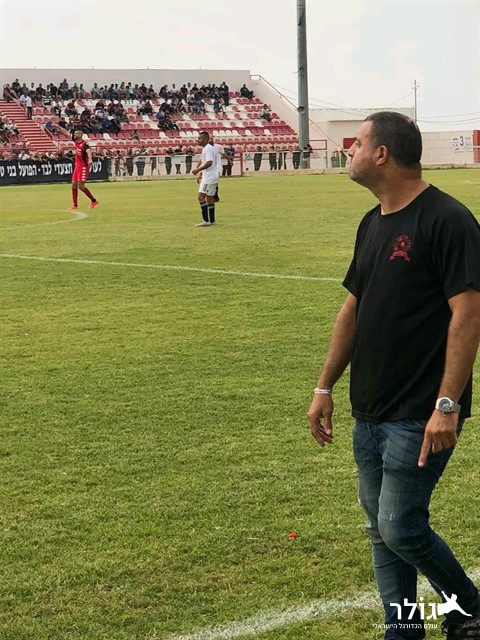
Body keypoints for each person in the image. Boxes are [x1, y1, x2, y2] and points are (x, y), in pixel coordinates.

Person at [306, 112, 480, 640]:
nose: (349, 151)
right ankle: (402, 632)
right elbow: (353, 308)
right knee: (381, 533)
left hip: (421, 412)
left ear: (382, 154)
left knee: (400, 525)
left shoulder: (447, 219)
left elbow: (469, 314)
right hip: (370, 408)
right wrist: (324, 386)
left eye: (357, 143)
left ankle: (470, 608)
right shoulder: (371, 222)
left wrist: (447, 405)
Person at [58, 127, 99, 209]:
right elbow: (66, 133)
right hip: (77, 166)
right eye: (74, 133)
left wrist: (90, 159)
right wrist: (58, 126)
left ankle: (93, 200)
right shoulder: (76, 141)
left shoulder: (85, 144)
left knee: (80, 186)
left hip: (83, 167)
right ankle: (75, 205)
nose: (74, 135)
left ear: (81, 134)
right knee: (73, 185)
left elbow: (88, 151)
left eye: (76, 133)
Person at [192, 131, 218, 227]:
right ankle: (212, 220)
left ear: (205, 139)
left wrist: (198, 169)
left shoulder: (207, 149)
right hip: (211, 177)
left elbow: (209, 162)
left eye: (200, 138)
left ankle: (205, 220)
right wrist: (200, 173)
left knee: (201, 197)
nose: (198, 140)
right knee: (210, 199)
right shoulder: (208, 148)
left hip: (209, 178)